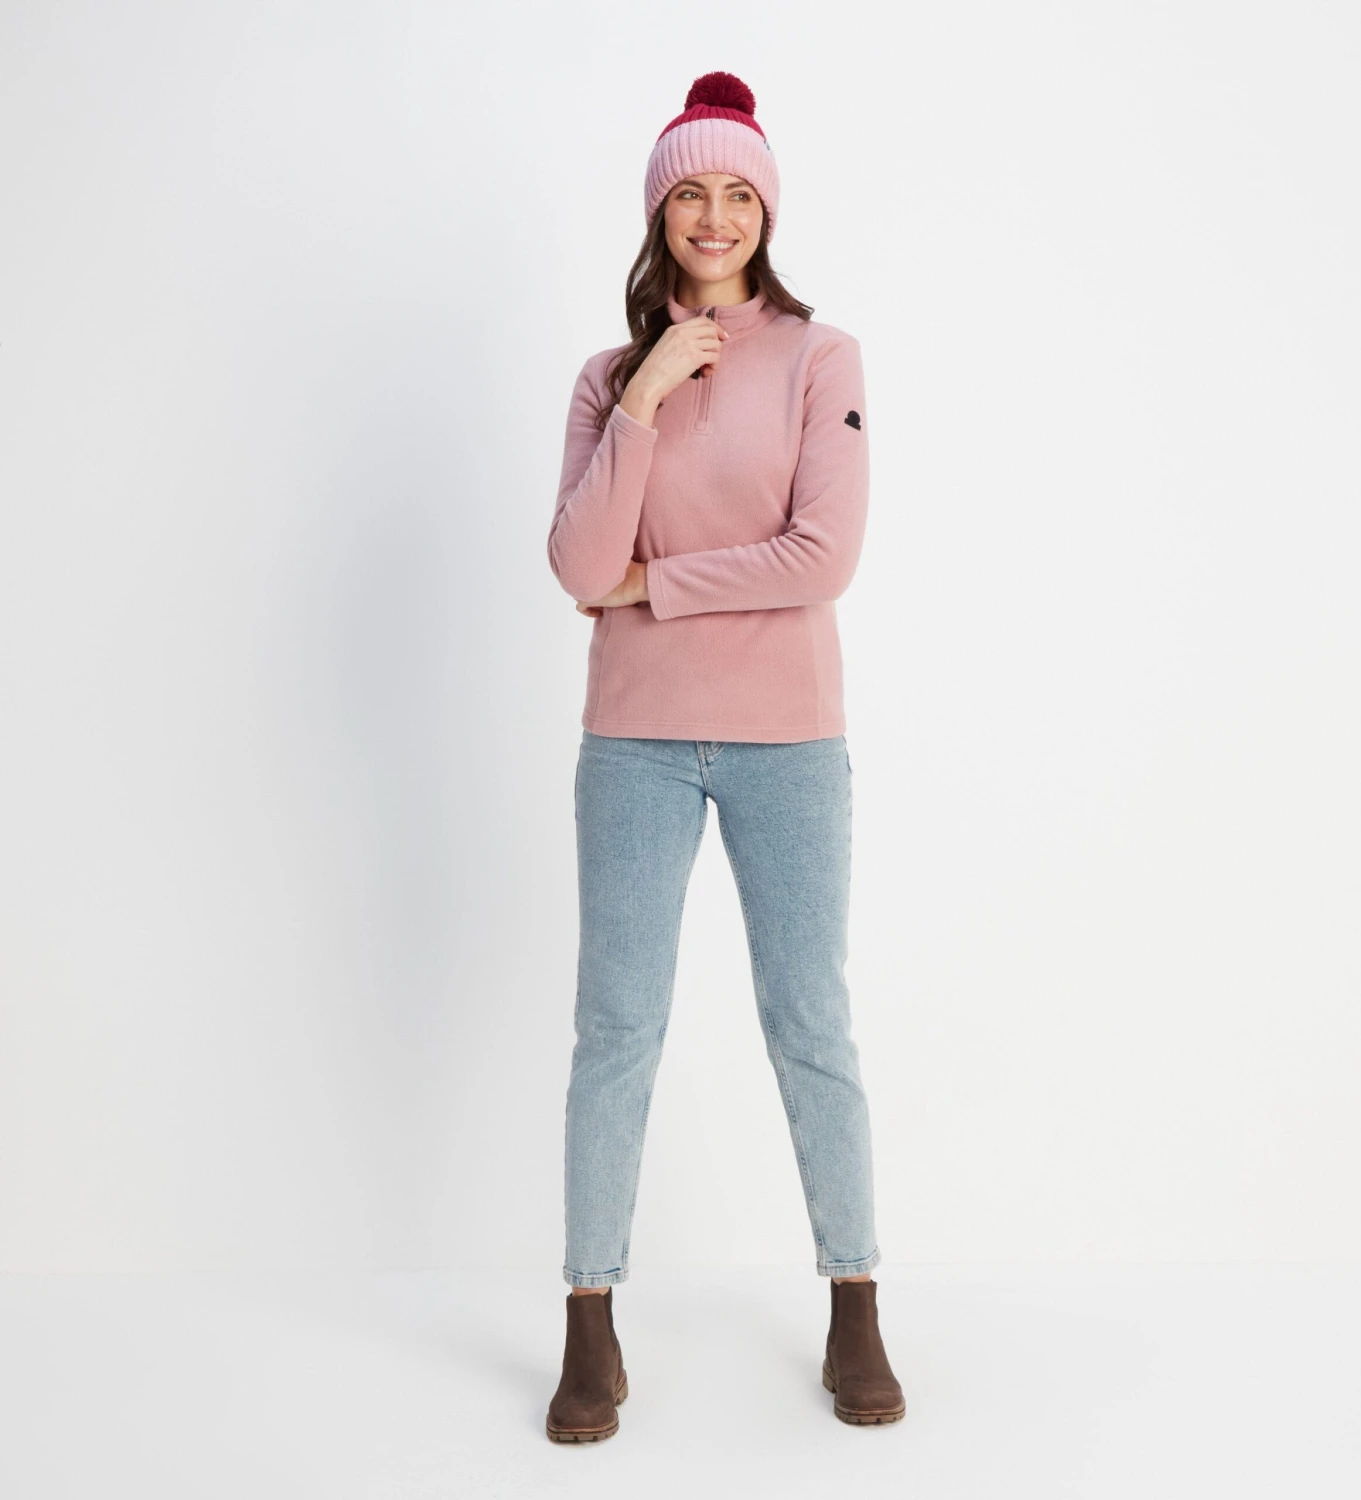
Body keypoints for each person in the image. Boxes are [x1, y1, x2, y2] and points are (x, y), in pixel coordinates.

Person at [543, 70, 904, 1442]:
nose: (714, 215)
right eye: (690, 191)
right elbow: (577, 563)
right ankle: (590, 1321)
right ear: (659, 211)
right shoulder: (605, 379)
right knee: (616, 1028)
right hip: (632, 742)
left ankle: (855, 1302)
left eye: (738, 192)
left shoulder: (822, 358)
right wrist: (645, 393)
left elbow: (826, 556)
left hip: (788, 740)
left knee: (809, 1019)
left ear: (766, 211)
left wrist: (658, 586)